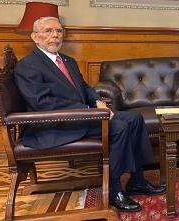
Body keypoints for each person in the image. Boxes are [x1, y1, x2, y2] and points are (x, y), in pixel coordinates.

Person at [14, 17, 165, 213]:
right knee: (118, 127)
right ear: (35, 37)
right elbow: (42, 103)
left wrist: (97, 101)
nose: (55, 35)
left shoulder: (67, 60)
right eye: (48, 31)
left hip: (78, 117)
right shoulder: (28, 65)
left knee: (135, 118)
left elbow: (84, 87)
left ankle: (137, 181)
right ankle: (114, 190)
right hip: (53, 125)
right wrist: (87, 111)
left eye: (59, 31)